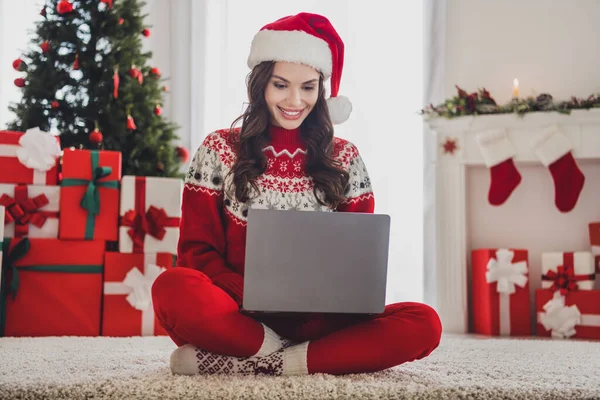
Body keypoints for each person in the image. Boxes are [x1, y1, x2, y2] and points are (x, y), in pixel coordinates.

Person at [152, 12, 442, 376]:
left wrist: (334, 304)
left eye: (307, 87)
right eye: (280, 84)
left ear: (322, 90)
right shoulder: (218, 148)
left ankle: (261, 362)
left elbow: (358, 270)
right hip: (235, 314)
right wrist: (249, 295)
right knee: (173, 287)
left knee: (424, 322)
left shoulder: (345, 157)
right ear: (261, 85)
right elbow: (196, 252)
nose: (294, 99)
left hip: (321, 322)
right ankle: (298, 356)